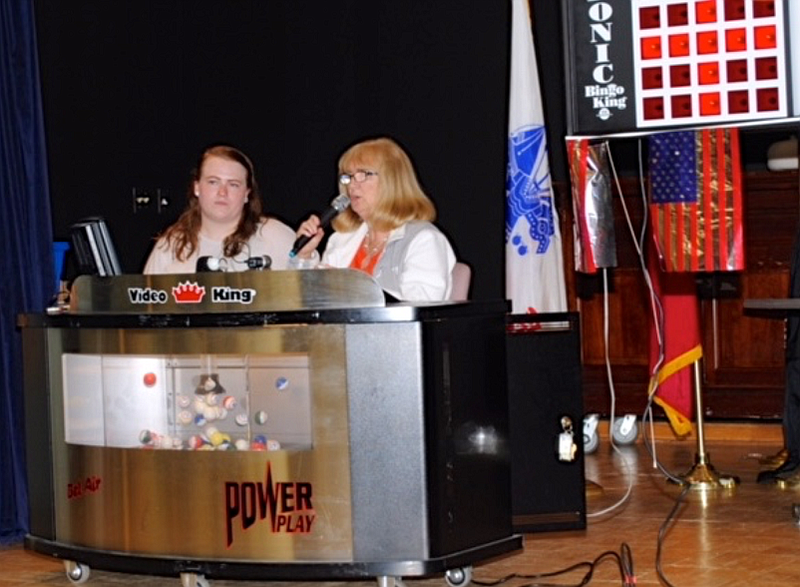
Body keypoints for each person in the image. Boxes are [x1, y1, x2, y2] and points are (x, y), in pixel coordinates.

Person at [292, 137, 456, 302]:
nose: (352, 185)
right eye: (348, 176)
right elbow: (304, 304)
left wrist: (348, 288)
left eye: (364, 174)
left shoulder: (425, 240)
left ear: (392, 180)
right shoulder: (342, 239)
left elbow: (418, 309)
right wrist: (304, 257)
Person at [143, 144, 295, 274]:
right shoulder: (170, 245)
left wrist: (305, 257)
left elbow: (312, 290)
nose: (223, 192)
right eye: (213, 182)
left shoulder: (275, 236)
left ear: (247, 194)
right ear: (197, 188)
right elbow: (146, 304)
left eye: (233, 184)